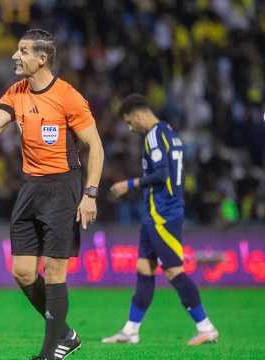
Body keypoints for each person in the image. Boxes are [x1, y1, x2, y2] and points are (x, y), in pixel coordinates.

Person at [0, 29, 104, 360]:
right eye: (18, 50)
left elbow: (96, 146)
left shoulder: (68, 96)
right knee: (23, 272)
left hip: (63, 188)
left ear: (42, 59)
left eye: (24, 51)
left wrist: (90, 194)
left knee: (55, 272)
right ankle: (66, 334)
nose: (16, 56)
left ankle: (48, 353)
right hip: (30, 188)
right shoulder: (15, 92)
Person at [103, 94, 219, 345]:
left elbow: (162, 173)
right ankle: (131, 330)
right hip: (156, 212)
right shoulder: (169, 132)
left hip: (162, 213)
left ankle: (206, 327)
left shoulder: (155, 135)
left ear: (138, 114)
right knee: (144, 269)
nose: (129, 127)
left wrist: (129, 184)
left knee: (173, 270)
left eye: (129, 121)